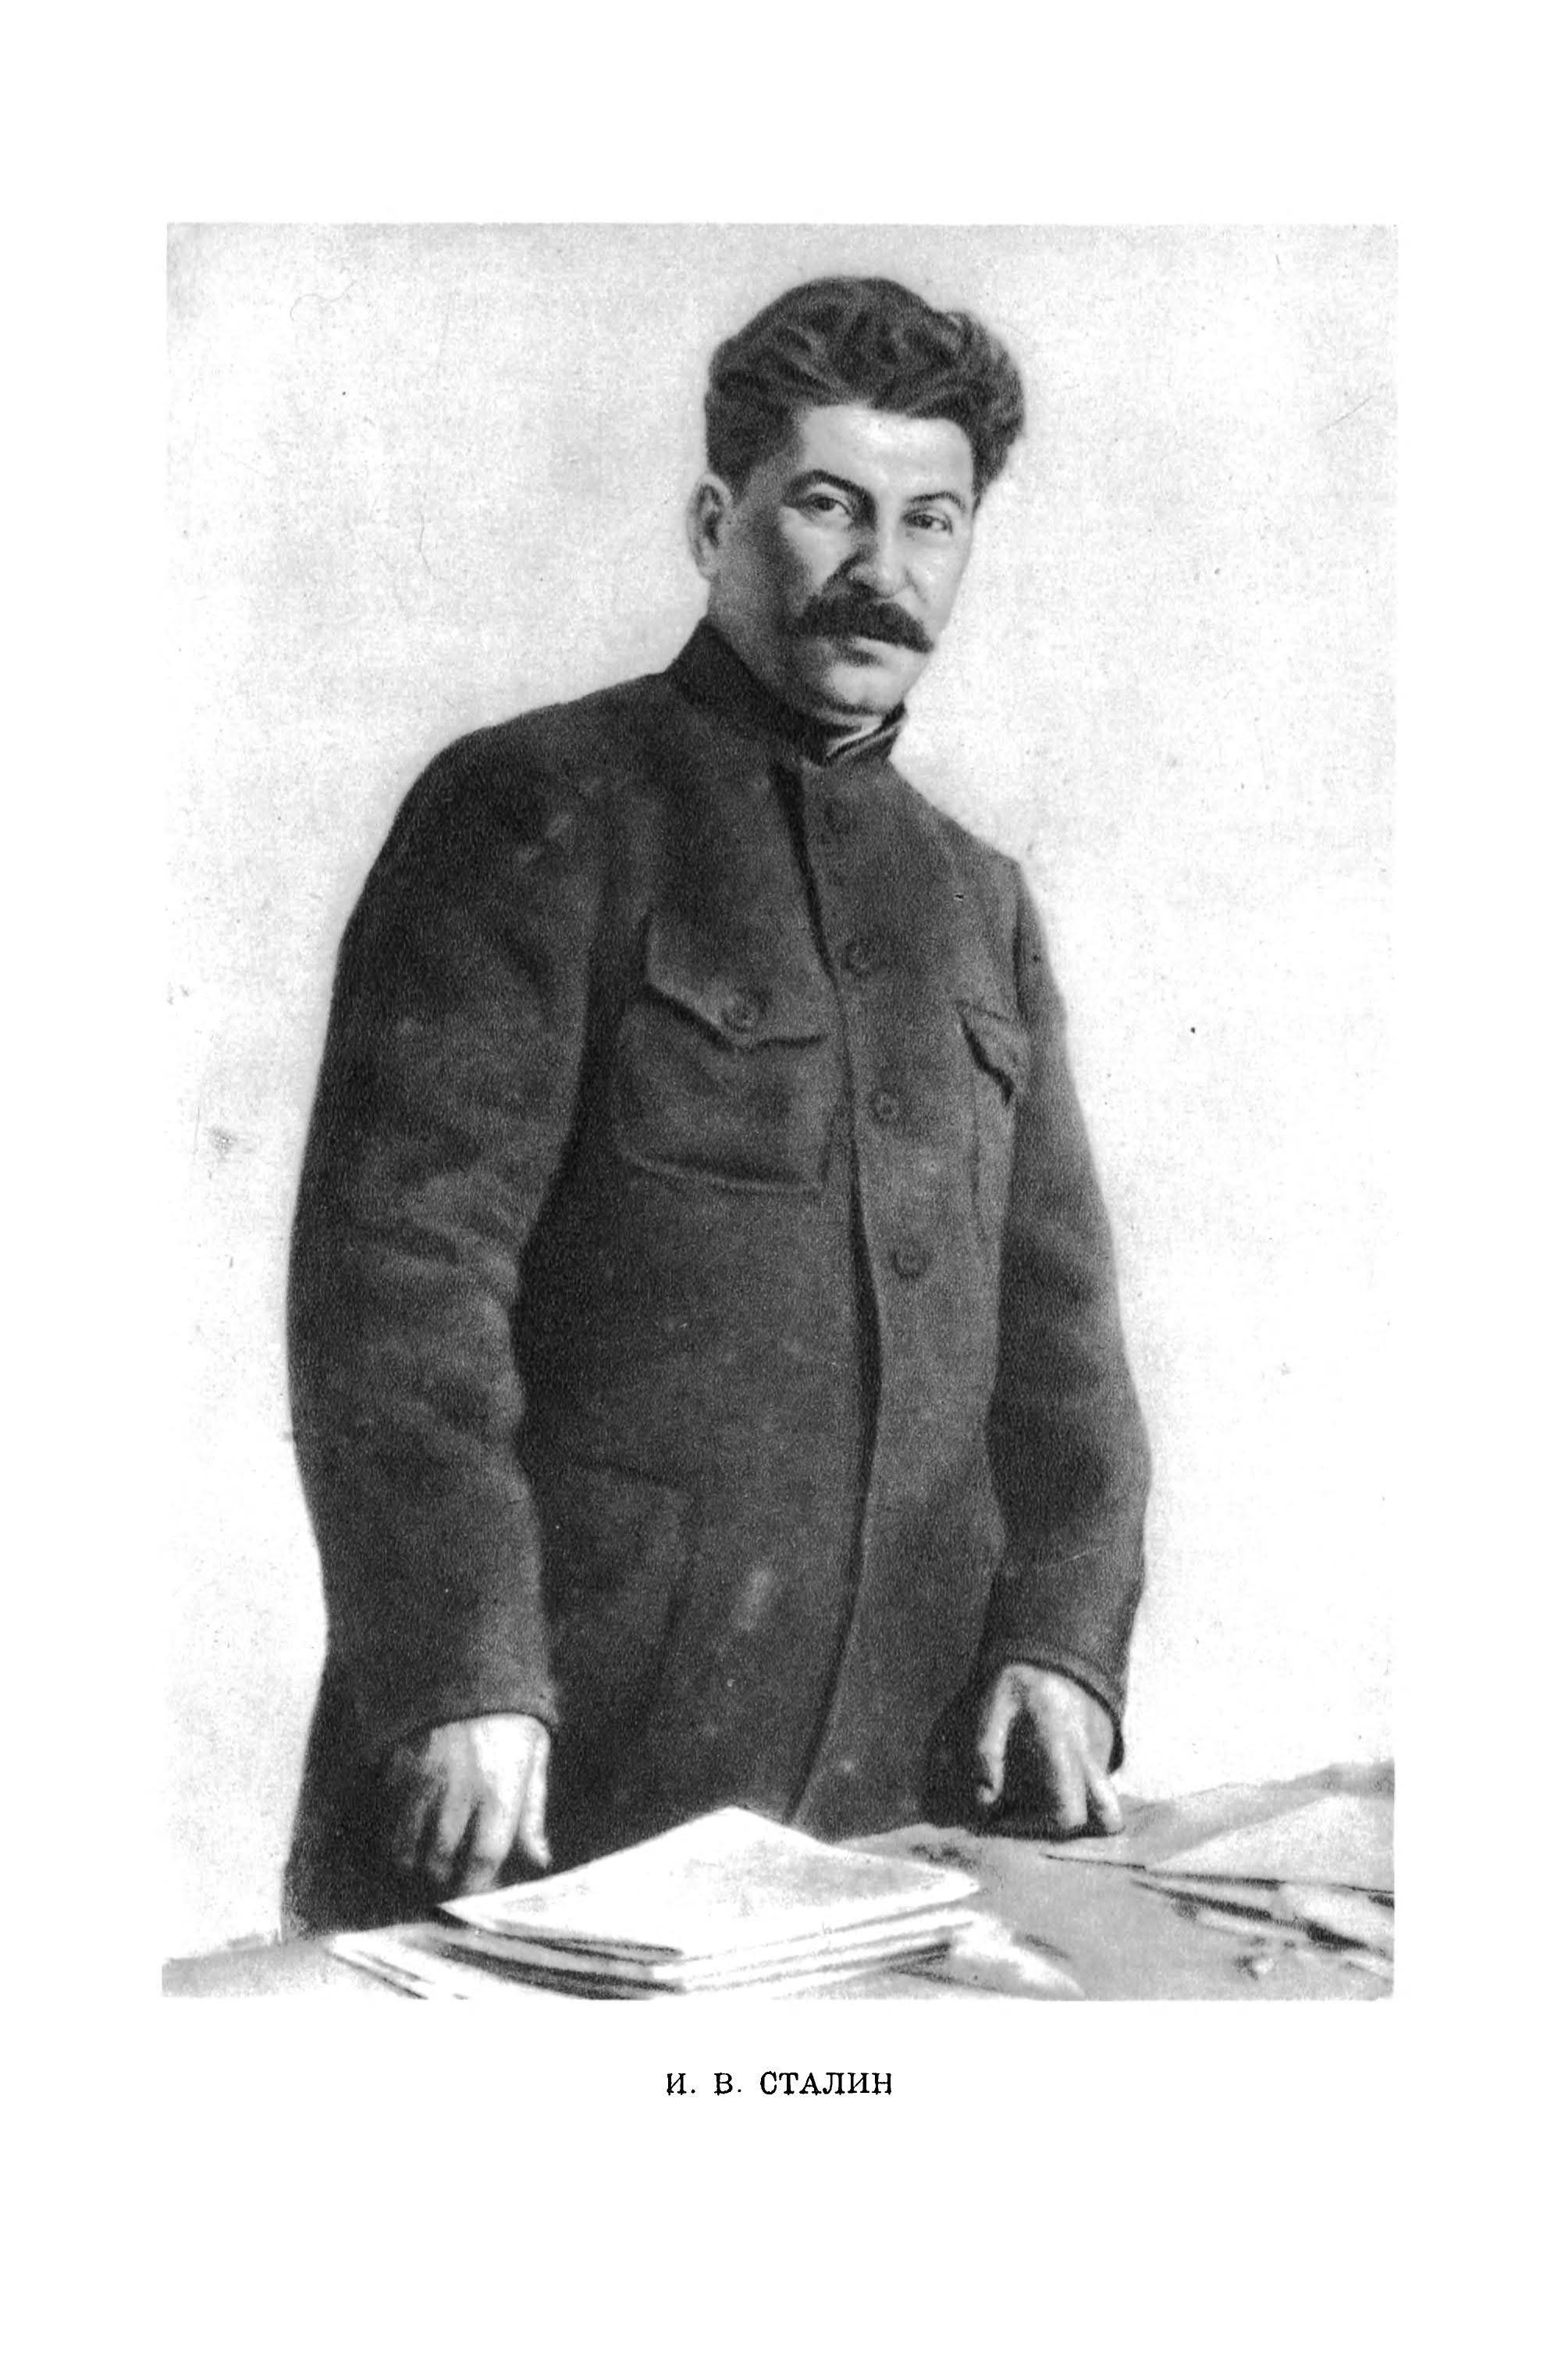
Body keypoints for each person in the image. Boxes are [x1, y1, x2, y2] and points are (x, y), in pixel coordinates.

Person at [283, 275, 1151, 1932]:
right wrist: (462, 1670)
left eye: (931, 521)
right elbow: (399, 1284)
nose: (881, 568)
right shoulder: (533, 804)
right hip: (549, 1775)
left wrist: (1062, 1642)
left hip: (904, 1803)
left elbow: (1067, 1351)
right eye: (827, 505)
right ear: (713, 521)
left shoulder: (978, 899)